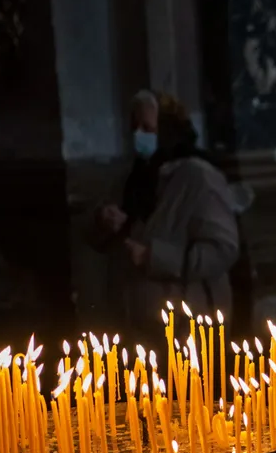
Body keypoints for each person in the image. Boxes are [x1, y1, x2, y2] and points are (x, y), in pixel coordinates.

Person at [94, 90, 242, 337]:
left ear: (167, 129)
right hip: (139, 327)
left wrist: (155, 256)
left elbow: (223, 249)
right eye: (134, 127)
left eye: (147, 128)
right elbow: (99, 236)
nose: (138, 135)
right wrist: (104, 221)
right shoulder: (133, 178)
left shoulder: (198, 177)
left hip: (189, 328)